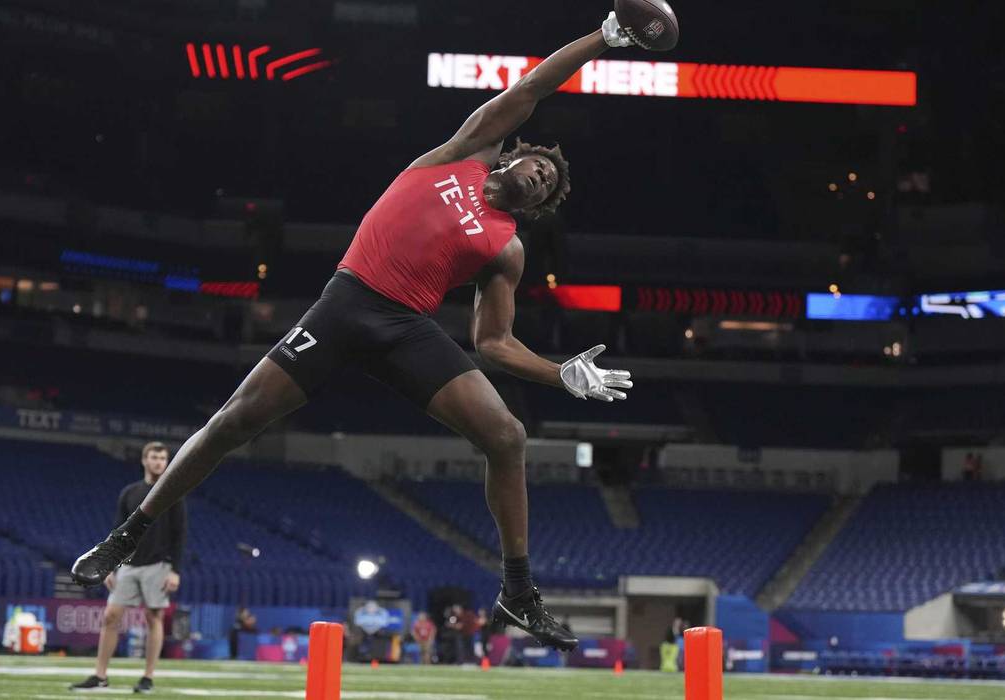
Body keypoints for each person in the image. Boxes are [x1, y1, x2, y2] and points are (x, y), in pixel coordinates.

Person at [70, 9, 644, 652]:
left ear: (537, 206)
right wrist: (605, 38)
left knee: (507, 435)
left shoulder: (507, 249)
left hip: (406, 328)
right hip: (346, 305)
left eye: (547, 186)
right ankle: (128, 535)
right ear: (512, 153)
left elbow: (493, 343)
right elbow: (534, 87)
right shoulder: (463, 152)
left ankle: (517, 591)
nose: (540, 176)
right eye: (538, 164)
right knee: (233, 421)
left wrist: (559, 373)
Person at [70, 442, 187, 694]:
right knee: (110, 616)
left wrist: (175, 570)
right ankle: (100, 676)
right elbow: (118, 531)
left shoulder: (173, 493)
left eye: (163, 458)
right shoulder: (130, 492)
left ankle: (148, 678)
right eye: (154, 457)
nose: (159, 462)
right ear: (144, 460)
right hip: (129, 565)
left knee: (153, 618)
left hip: (158, 564)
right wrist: (110, 566)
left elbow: (179, 535)